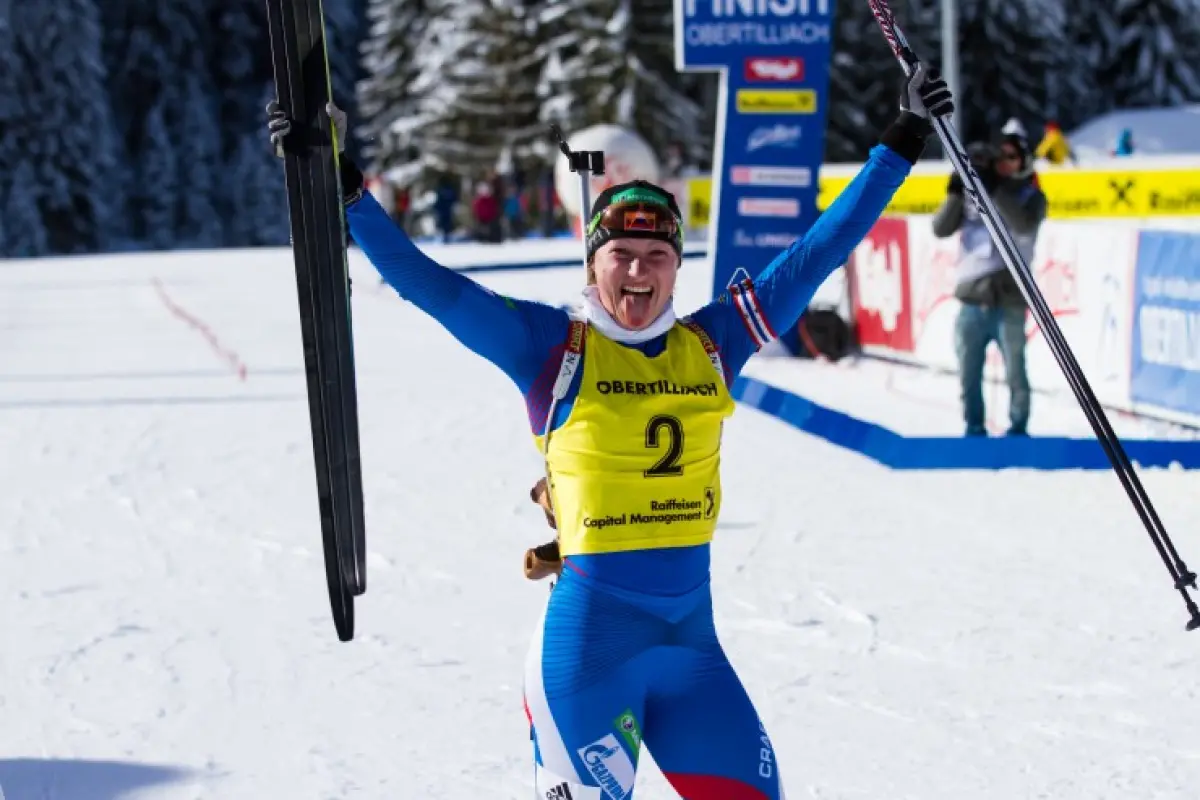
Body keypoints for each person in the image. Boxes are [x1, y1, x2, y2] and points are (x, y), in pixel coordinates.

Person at [267, 64, 953, 799]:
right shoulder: (550, 348)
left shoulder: (715, 343)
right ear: (593, 263)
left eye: (657, 256)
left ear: (676, 268)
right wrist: (345, 188)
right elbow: (432, 285)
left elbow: (819, 251)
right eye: (620, 254)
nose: (638, 271)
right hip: (589, 658)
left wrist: (904, 137)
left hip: (691, 653)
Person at [933, 125, 1048, 437]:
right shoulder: (974, 194)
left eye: (1011, 157)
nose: (1003, 163)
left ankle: (1018, 429)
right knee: (968, 372)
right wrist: (956, 191)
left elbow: (1023, 226)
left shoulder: (1031, 197)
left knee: (1015, 371)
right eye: (1000, 157)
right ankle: (974, 429)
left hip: (1010, 298)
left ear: (1023, 161)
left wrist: (993, 189)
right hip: (972, 297)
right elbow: (940, 229)